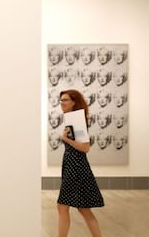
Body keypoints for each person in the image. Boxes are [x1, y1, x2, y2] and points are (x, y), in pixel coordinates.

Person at [57, 89, 104, 237]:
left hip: (76, 167)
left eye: (65, 100)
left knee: (63, 206)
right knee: (82, 208)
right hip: (73, 165)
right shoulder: (71, 118)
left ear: (74, 102)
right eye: (61, 100)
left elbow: (85, 147)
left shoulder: (76, 119)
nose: (62, 103)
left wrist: (66, 139)